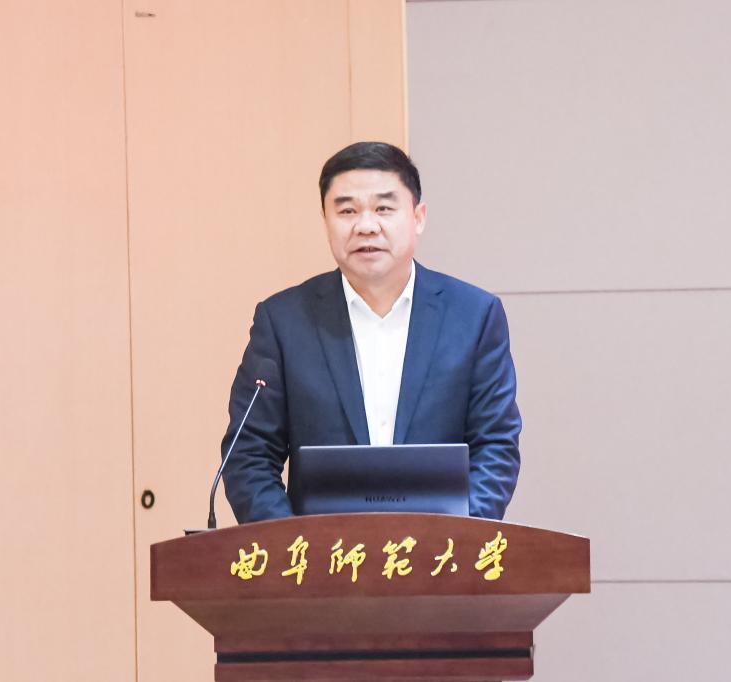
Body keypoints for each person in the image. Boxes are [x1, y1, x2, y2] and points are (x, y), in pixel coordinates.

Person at [220, 141, 521, 523]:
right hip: (318, 555)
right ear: (326, 220)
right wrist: (294, 545)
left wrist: (452, 540)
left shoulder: (473, 316)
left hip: (441, 553)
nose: (366, 226)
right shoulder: (283, 321)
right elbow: (249, 455)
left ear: (418, 217)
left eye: (383, 208)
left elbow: (496, 448)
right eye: (347, 210)